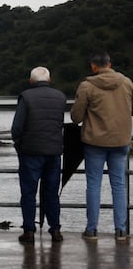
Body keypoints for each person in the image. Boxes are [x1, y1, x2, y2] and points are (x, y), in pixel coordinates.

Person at [71, 51, 133, 241]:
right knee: (119, 185)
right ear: (110, 64)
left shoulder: (87, 86)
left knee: (93, 185)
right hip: (121, 141)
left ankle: (92, 230)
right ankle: (121, 230)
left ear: (94, 66)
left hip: (94, 142)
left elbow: (76, 117)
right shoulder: (127, 83)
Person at [11, 66, 67, 243]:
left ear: (31, 81)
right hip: (54, 152)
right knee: (51, 192)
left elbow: (16, 128)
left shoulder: (26, 97)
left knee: (29, 192)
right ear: (49, 80)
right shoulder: (60, 97)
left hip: (31, 152)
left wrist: (20, 146)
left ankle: (29, 231)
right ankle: (55, 230)